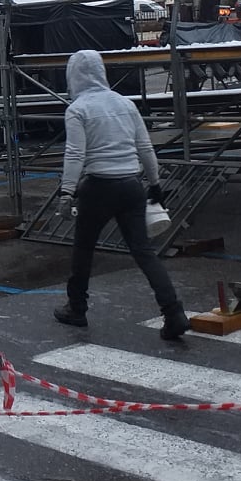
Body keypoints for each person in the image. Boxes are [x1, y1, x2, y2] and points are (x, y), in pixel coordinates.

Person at [52, 48, 190, 341]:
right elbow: (145, 148)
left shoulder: (77, 109)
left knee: (83, 249)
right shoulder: (125, 104)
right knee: (144, 252)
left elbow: (75, 154)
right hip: (131, 185)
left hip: (97, 186)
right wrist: (155, 184)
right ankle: (173, 311)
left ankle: (77, 307)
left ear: (73, 77)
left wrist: (66, 192)